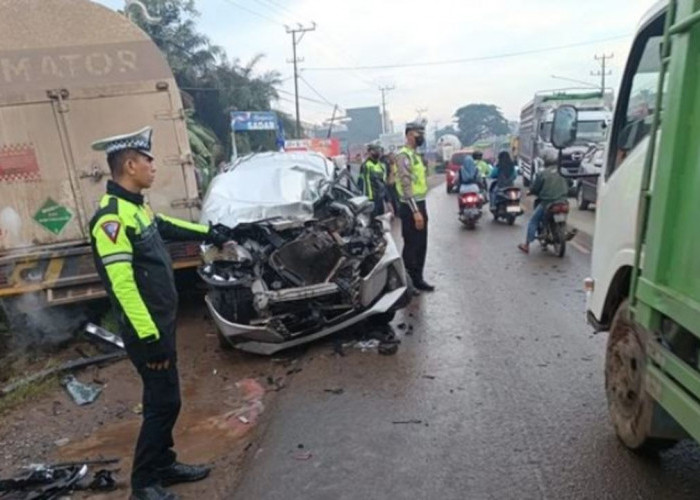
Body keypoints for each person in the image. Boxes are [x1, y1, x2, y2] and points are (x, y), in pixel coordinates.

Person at [89, 126, 230, 500]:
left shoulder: (136, 207)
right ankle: (144, 483)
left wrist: (208, 232)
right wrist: (149, 338)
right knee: (164, 402)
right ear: (130, 164)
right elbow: (122, 285)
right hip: (145, 330)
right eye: (148, 160)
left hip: (158, 324)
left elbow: (165, 226)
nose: (154, 166)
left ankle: (163, 463)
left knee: (164, 398)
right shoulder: (111, 220)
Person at [396, 122, 434, 292]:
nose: (421, 136)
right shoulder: (403, 155)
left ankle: (418, 279)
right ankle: (407, 283)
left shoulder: (415, 155)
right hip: (410, 206)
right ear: (409, 134)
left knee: (421, 245)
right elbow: (406, 185)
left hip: (420, 204)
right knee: (411, 245)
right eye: (419, 133)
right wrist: (415, 211)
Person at [517, 159, 569, 254]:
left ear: (545, 163)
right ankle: (563, 230)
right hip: (563, 201)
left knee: (533, 221)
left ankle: (526, 245)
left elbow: (535, 188)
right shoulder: (563, 171)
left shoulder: (542, 173)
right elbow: (570, 183)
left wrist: (530, 191)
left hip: (547, 202)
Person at [359, 144, 387, 217]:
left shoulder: (381, 165)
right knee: (373, 220)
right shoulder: (366, 165)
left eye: (377, 150)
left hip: (380, 197)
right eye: (374, 151)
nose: (376, 152)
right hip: (371, 198)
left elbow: (383, 182)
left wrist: (387, 199)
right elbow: (362, 182)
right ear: (369, 152)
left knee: (382, 219)